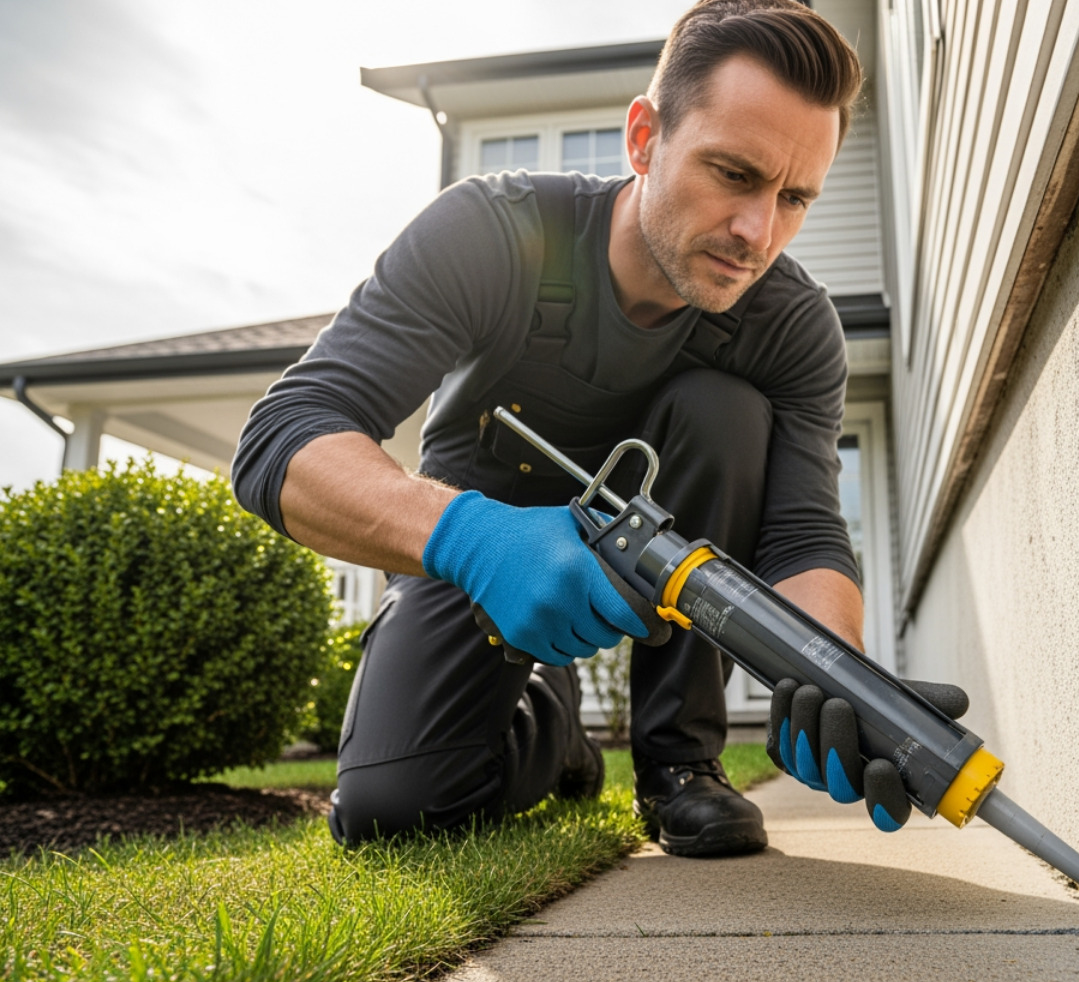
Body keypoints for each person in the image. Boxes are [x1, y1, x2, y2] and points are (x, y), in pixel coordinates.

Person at [232, 0, 868, 856]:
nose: (759, 233)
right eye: (733, 174)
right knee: (391, 808)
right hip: (482, 535)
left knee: (726, 410)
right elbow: (284, 435)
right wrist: (474, 539)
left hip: (670, 536)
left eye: (794, 198)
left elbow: (802, 533)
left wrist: (832, 670)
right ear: (644, 138)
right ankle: (556, 723)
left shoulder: (792, 324)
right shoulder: (491, 233)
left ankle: (681, 765)